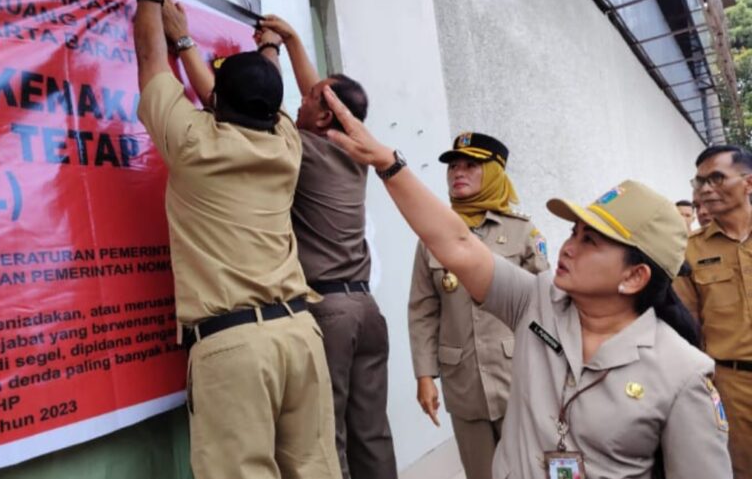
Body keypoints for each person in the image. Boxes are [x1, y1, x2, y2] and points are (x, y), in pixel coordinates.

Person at [320, 85, 732, 478]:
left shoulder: (684, 375)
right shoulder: (536, 302)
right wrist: (387, 163)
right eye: (573, 233)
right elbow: (457, 243)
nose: (569, 247)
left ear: (634, 276)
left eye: (590, 241)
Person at [160, 6, 397, 479]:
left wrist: (185, 43)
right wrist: (284, 44)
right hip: (367, 311)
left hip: (326, 310)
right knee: (372, 436)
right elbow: (317, 103)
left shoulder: (295, 149)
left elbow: (229, 103)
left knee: (325, 446)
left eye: (308, 99)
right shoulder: (356, 154)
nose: (296, 102)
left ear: (326, 113)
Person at [133, 0, 340, 478]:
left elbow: (148, 62)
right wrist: (270, 44)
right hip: (300, 336)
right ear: (275, 110)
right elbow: (253, 95)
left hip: (234, 350)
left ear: (217, 103)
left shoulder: (193, 145)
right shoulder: (287, 145)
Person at [408, 132, 548, 479]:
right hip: (463, 381)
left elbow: (548, 306)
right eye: (454, 166)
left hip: (517, 375)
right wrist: (424, 375)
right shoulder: (433, 236)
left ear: (495, 172)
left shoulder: (523, 233)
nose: (458, 172)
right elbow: (423, 310)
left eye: (471, 165)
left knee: (530, 468)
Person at [675, 144, 752, 479]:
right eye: (700, 182)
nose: (705, 190)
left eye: (717, 178)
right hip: (731, 387)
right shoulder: (690, 251)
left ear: (748, 182)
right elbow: (686, 327)